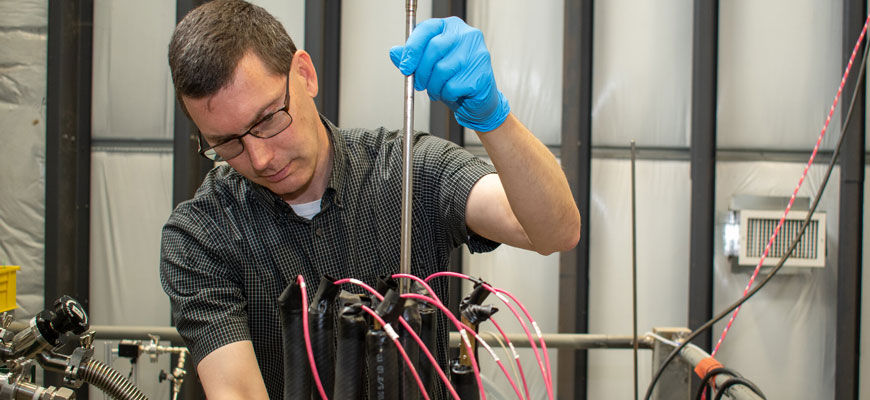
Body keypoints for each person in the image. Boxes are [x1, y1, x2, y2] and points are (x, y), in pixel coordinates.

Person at [159, 1, 580, 399]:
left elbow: (554, 230)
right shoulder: (201, 235)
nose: (260, 158)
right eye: (227, 144)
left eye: (268, 118)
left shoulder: (409, 170)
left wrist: (493, 118)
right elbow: (237, 391)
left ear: (304, 74)